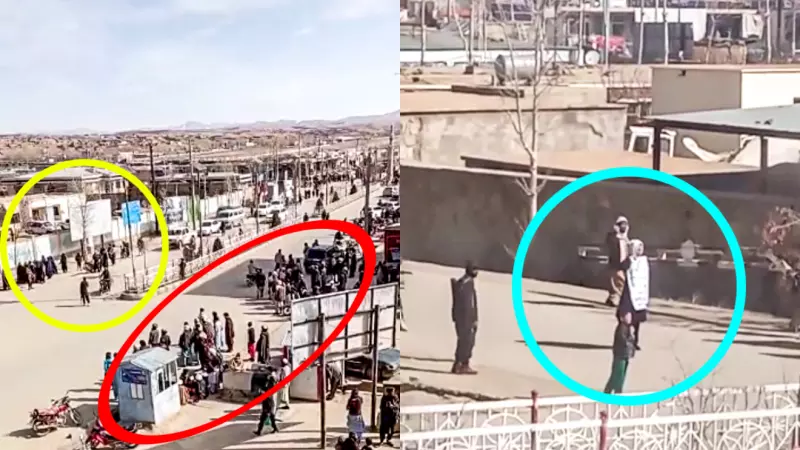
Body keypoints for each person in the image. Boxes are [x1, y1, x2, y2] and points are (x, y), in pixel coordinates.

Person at [617, 239, 649, 351]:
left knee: (637, 319)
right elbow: (621, 266)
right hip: (629, 292)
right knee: (625, 318)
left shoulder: (644, 261)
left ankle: (635, 341)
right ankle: (624, 338)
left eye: (641, 248)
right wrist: (630, 257)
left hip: (639, 294)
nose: (640, 250)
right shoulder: (629, 261)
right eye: (637, 248)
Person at [451, 262, 479, 375]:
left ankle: (461, 364)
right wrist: (473, 320)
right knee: (466, 341)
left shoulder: (463, 282)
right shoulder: (466, 284)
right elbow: (469, 305)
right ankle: (461, 365)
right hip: (466, 319)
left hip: (462, 318)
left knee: (465, 341)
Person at [604, 312, 636, 394]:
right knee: (618, 375)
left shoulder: (627, 327)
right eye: (628, 316)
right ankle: (614, 391)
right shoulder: (622, 328)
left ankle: (610, 391)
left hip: (624, 355)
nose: (630, 317)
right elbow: (625, 342)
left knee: (619, 375)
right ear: (622, 318)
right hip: (620, 355)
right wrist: (632, 338)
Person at [605, 216, 630, 307]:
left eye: (625, 224)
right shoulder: (612, 236)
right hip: (615, 263)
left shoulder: (626, 238)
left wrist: (625, 236)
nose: (624, 226)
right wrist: (617, 233)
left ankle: (613, 298)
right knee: (618, 281)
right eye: (622, 224)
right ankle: (615, 299)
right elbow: (609, 243)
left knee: (619, 282)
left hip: (624, 264)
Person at [254, 371, 279, 435]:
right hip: (269, 403)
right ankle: (275, 428)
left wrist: (262, 392)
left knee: (263, 418)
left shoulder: (270, 386)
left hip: (267, 403)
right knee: (271, 417)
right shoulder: (273, 385)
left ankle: (259, 431)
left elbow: (267, 395)